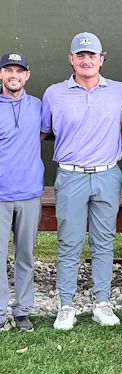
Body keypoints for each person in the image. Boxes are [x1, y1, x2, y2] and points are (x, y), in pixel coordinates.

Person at [41, 32, 122, 330]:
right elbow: (43, 131)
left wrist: (107, 141)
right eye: (81, 55)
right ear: (71, 59)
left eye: (92, 55)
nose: (87, 60)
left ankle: (101, 303)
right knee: (69, 243)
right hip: (70, 175)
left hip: (107, 174)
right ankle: (66, 305)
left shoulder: (120, 91)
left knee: (104, 242)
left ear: (101, 59)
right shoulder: (54, 93)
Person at [0, 52, 43, 332]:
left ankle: (23, 310)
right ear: (1, 75)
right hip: (0, 195)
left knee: (25, 254)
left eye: (19, 71)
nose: (13, 75)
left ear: (27, 75)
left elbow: (47, 132)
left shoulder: (38, 106)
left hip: (29, 193)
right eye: (8, 70)